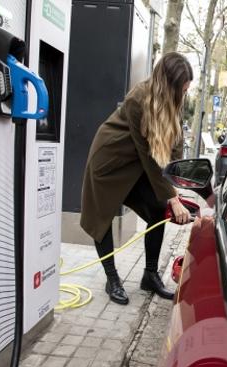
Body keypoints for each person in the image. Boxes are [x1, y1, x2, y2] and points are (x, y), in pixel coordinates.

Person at [80, 52, 193, 305]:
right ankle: (112, 279)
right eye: (182, 89)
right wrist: (173, 198)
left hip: (136, 164)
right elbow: (149, 157)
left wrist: (176, 188)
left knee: (157, 208)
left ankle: (150, 276)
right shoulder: (138, 100)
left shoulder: (174, 100)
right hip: (110, 160)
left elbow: (174, 146)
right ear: (168, 84)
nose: (184, 94)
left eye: (186, 90)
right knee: (102, 218)